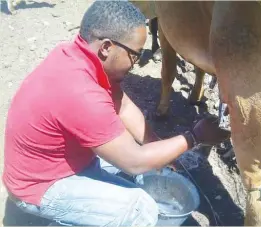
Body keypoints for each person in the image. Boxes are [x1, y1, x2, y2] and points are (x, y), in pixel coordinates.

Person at [2, 1, 231, 226]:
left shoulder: (77, 56)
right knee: (141, 208)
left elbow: (123, 105)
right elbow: (134, 162)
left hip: (53, 164)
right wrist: (195, 136)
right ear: (107, 48)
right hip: (40, 187)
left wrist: (152, 142)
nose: (135, 63)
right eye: (135, 54)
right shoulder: (81, 92)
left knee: (135, 161)